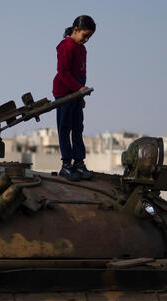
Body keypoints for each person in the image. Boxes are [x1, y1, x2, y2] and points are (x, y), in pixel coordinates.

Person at [53, 15, 96, 182]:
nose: (86, 40)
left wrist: (81, 95)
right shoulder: (66, 46)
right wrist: (78, 89)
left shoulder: (81, 48)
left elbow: (80, 74)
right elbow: (63, 72)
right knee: (65, 128)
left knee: (78, 127)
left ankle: (79, 162)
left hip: (76, 93)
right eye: (85, 35)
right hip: (64, 93)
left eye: (89, 37)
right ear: (75, 30)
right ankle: (66, 165)